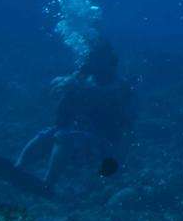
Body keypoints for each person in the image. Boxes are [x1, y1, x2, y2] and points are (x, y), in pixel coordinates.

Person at [15, 38, 136, 187]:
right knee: (47, 135)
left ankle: (48, 183)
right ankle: (18, 167)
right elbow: (59, 89)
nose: (90, 61)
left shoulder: (119, 85)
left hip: (104, 145)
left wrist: (76, 86)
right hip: (81, 137)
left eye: (95, 57)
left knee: (64, 137)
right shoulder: (84, 78)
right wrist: (61, 84)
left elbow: (106, 96)